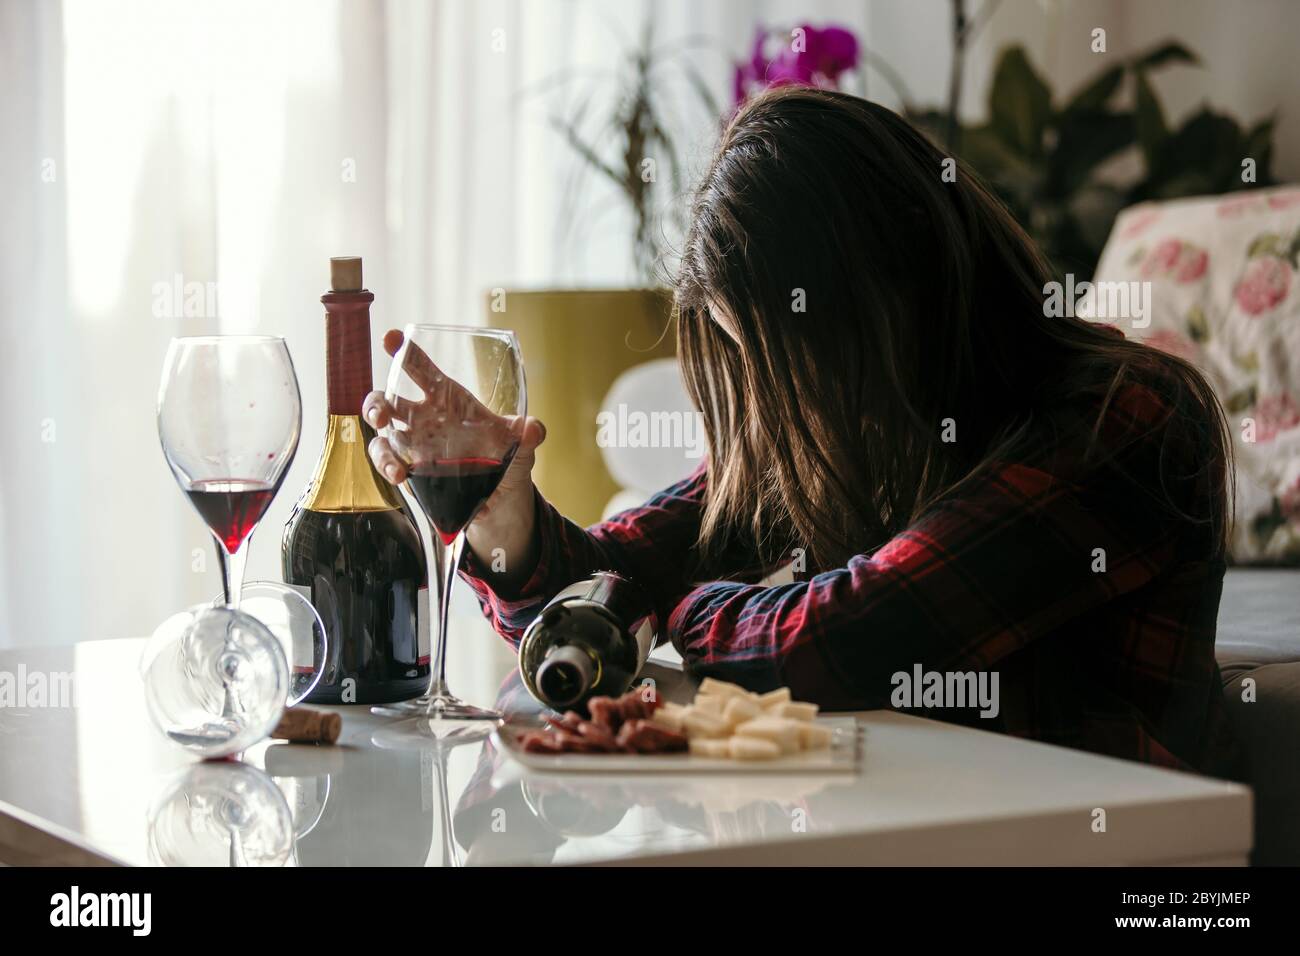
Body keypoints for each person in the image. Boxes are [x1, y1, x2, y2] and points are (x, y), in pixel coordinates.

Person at [364, 86, 1237, 776]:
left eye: (784, 363)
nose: (775, 407)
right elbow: (605, 594)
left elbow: (848, 641)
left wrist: (686, 606)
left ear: (887, 298)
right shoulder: (853, 427)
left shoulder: (1125, 415)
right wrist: (508, 521)